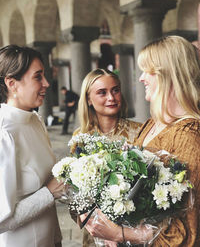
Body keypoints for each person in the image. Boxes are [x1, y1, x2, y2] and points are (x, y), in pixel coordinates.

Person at [80, 36, 200, 246]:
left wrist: (120, 233)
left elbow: (187, 231)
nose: (142, 78)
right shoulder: (151, 123)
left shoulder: (189, 135)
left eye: (148, 71)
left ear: (169, 75)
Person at [0, 45, 65, 247]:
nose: (46, 83)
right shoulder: (4, 134)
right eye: (38, 77)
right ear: (12, 84)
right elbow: (2, 219)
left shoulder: (35, 120)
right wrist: (49, 193)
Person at [70, 68, 141, 247]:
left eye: (115, 90)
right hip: (96, 233)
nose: (111, 97)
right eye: (102, 92)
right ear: (88, 99)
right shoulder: (80, 137)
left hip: (134, 228)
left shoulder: (139, 131)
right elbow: (73, 191)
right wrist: (97, 225)